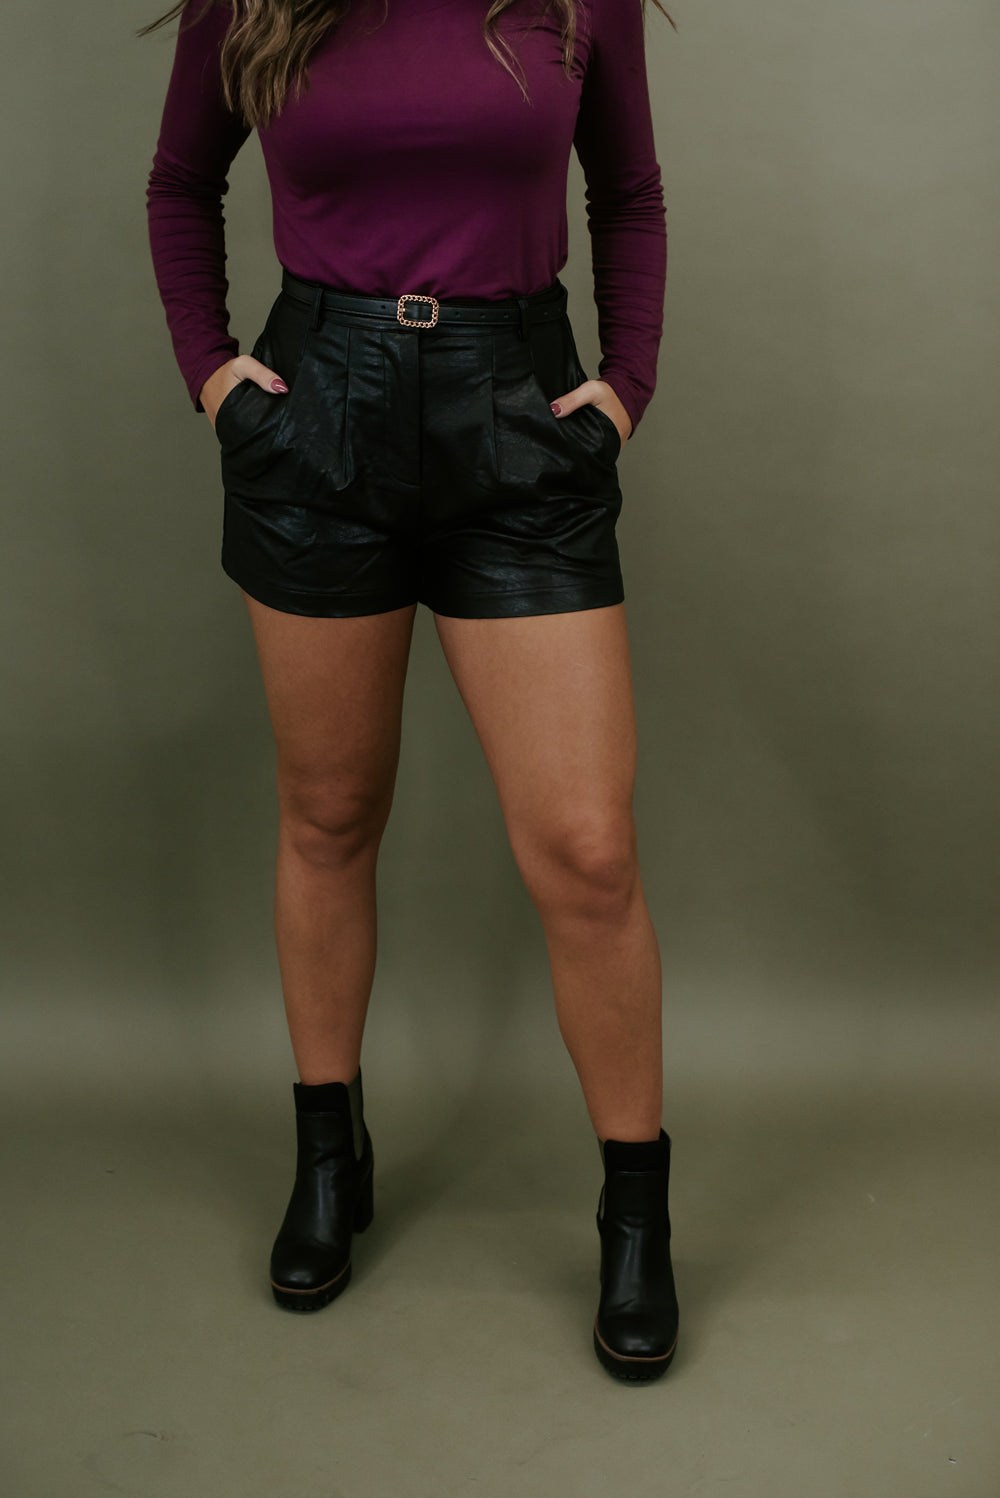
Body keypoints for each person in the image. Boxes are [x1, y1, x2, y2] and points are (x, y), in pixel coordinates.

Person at [144, 0, 679, 1383]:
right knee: (329, 813)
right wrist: (214, 376)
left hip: (518, 414)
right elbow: (180, 181)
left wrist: (626, 382)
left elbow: (627, 191)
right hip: (316, 414)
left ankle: (636, 1211)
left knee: (589, 849)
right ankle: (331, 1152)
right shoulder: (250, 1)